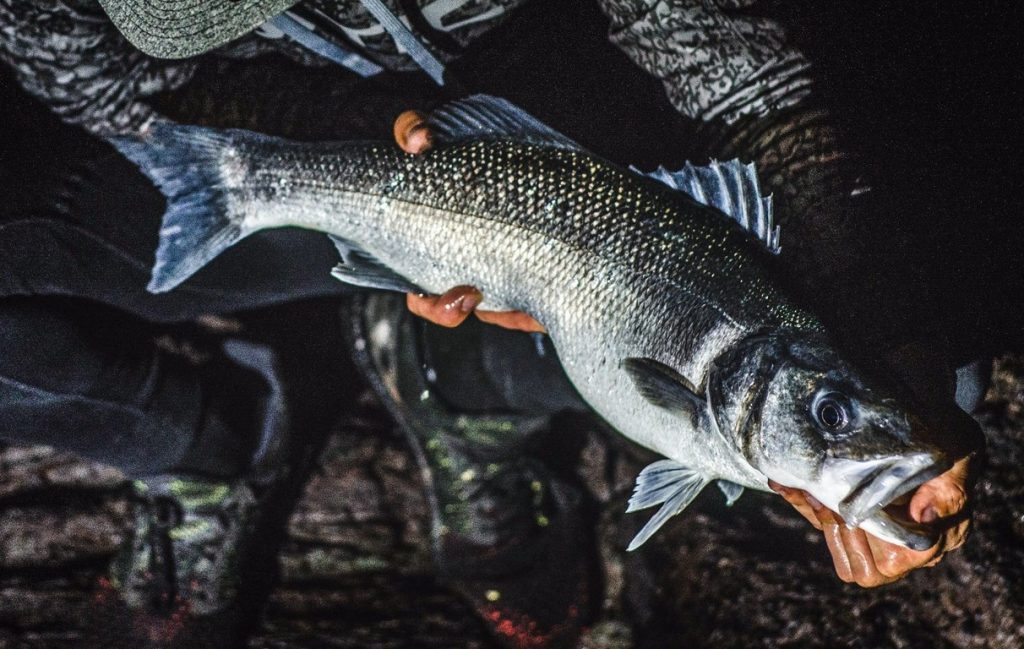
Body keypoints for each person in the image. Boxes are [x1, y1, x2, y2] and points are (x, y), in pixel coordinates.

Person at [0, 0, 980, 646]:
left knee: (951, 326)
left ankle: (458, 388)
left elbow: (753, 88)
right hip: (305, 138)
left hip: (556, 111)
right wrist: (332, 118)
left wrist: (897, 351)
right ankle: (196, 436)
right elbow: (108, 86)